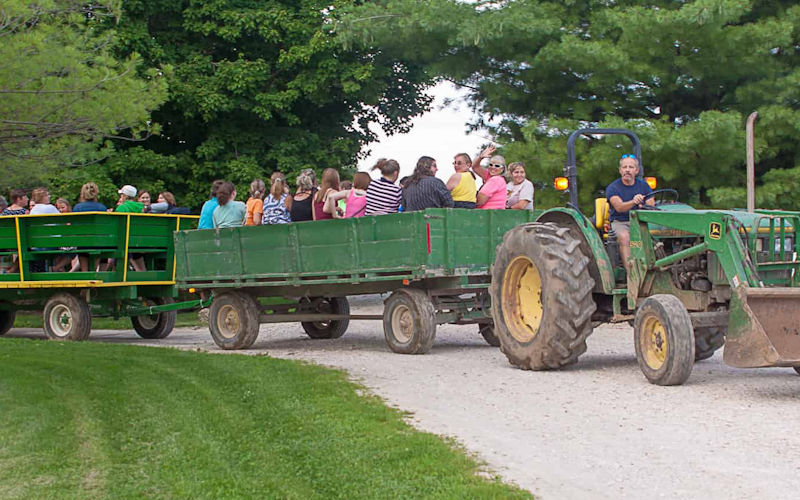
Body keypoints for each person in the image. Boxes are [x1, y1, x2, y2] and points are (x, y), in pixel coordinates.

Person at [606, 154, 654, 271]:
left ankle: (652, 267)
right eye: (624, 167)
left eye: (631, 167)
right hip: (620, 222)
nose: (627, 170)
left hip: (639, 221)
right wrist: (634, 201)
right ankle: (631, 273)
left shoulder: (643, 185)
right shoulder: (613, 188)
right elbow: (619, 207)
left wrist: (644, 205)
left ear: (636, 170)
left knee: (653, 237)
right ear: (620, 170)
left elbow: (651, 204)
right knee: (625, 237)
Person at [472, 145, 507, 209]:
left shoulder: (496, 179)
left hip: (489, 215)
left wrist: (472, 206)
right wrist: (480, 157)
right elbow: (475, 167)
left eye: (497, 166)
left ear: (502, 169)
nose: (493, 167)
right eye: (491, 164)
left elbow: (481, 199)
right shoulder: (490, 176)